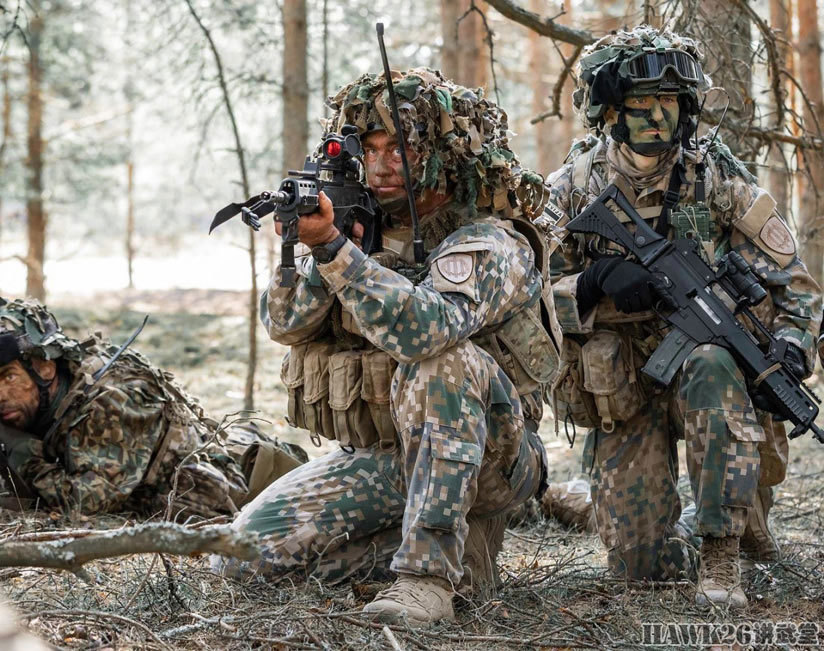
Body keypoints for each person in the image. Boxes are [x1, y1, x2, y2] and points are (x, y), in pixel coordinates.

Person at [212, 68, 562, 626]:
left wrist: (335, 250)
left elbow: (428, 329)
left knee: (440, 362)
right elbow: (286, 326)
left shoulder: (488, 239)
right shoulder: (359, 228)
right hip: (386, 457)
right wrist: (327, 249)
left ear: (448, 154)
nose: (380, 164)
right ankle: (458, 560)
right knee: (240, 559)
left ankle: (427, 579)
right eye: (369, 149)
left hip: (494, 456)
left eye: (399, 148)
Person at [544, 26, 822, 609]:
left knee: (716, 359)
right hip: (624, 387)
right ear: (609, 112)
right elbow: (523, 299)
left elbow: (795, 284)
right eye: (639, 107)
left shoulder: (716, 178)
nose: (655, 120)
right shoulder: (572, 188)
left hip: (708, 383)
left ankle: (723, 553)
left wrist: (794, 347)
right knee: (638, 569)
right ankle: (596, 503)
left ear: (687, 107)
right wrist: (591, 285)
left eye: (667, 105)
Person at [0, 297, 305, 518]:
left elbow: (85, 503)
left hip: (251, 490)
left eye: (7, 377)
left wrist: (24, 456)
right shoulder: (50, 392)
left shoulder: (112, 398)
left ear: (44, 365)